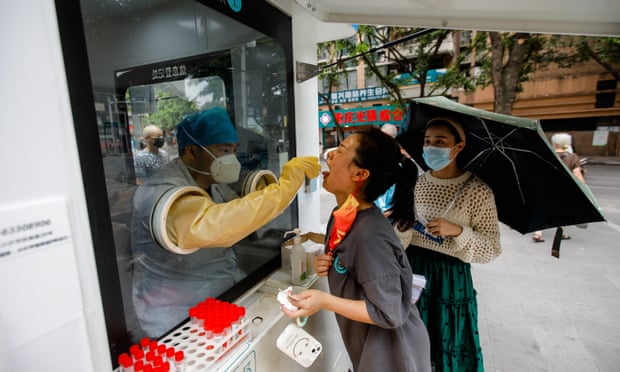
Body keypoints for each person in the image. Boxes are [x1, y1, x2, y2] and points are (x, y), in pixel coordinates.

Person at [130, 107, 321, 339]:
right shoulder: (160, 190)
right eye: (222, 150)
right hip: (176, 316)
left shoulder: (212, 181)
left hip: (222, 295)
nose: (231, 158)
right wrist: (283, 190)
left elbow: (243, 210)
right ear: (191, 151)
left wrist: (271, 192)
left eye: (233, 150)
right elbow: (218, 225)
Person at [281, 128, 431, 372]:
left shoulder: (370, 235)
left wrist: (324, 301)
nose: (329, 156)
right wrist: (333, 265)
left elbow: (389, 311)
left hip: (394, 355)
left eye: (340, 151)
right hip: (369, 347)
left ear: (360, 174)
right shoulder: (343, 215)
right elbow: (353, 265)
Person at [391, 117, 502, 372]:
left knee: (447, 343)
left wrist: (458, 231)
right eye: (427, 141)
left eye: (440, 142)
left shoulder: (478, 191)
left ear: (459, 146)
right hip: (413, 269)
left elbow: (491, 248)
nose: (431, 148)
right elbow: (401, 239)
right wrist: (405, 226)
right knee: (411, 343)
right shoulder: (416, 184)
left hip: (451, 279)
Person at [532, 132, 586, 242]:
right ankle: (562, 233)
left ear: (554, 144)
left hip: (546, 187)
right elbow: (578, 175)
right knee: (563, 210)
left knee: (543, 210)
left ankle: (538, 233)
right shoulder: (572, 157)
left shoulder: (546, 154)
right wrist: (584, 188)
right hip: (565, 189)